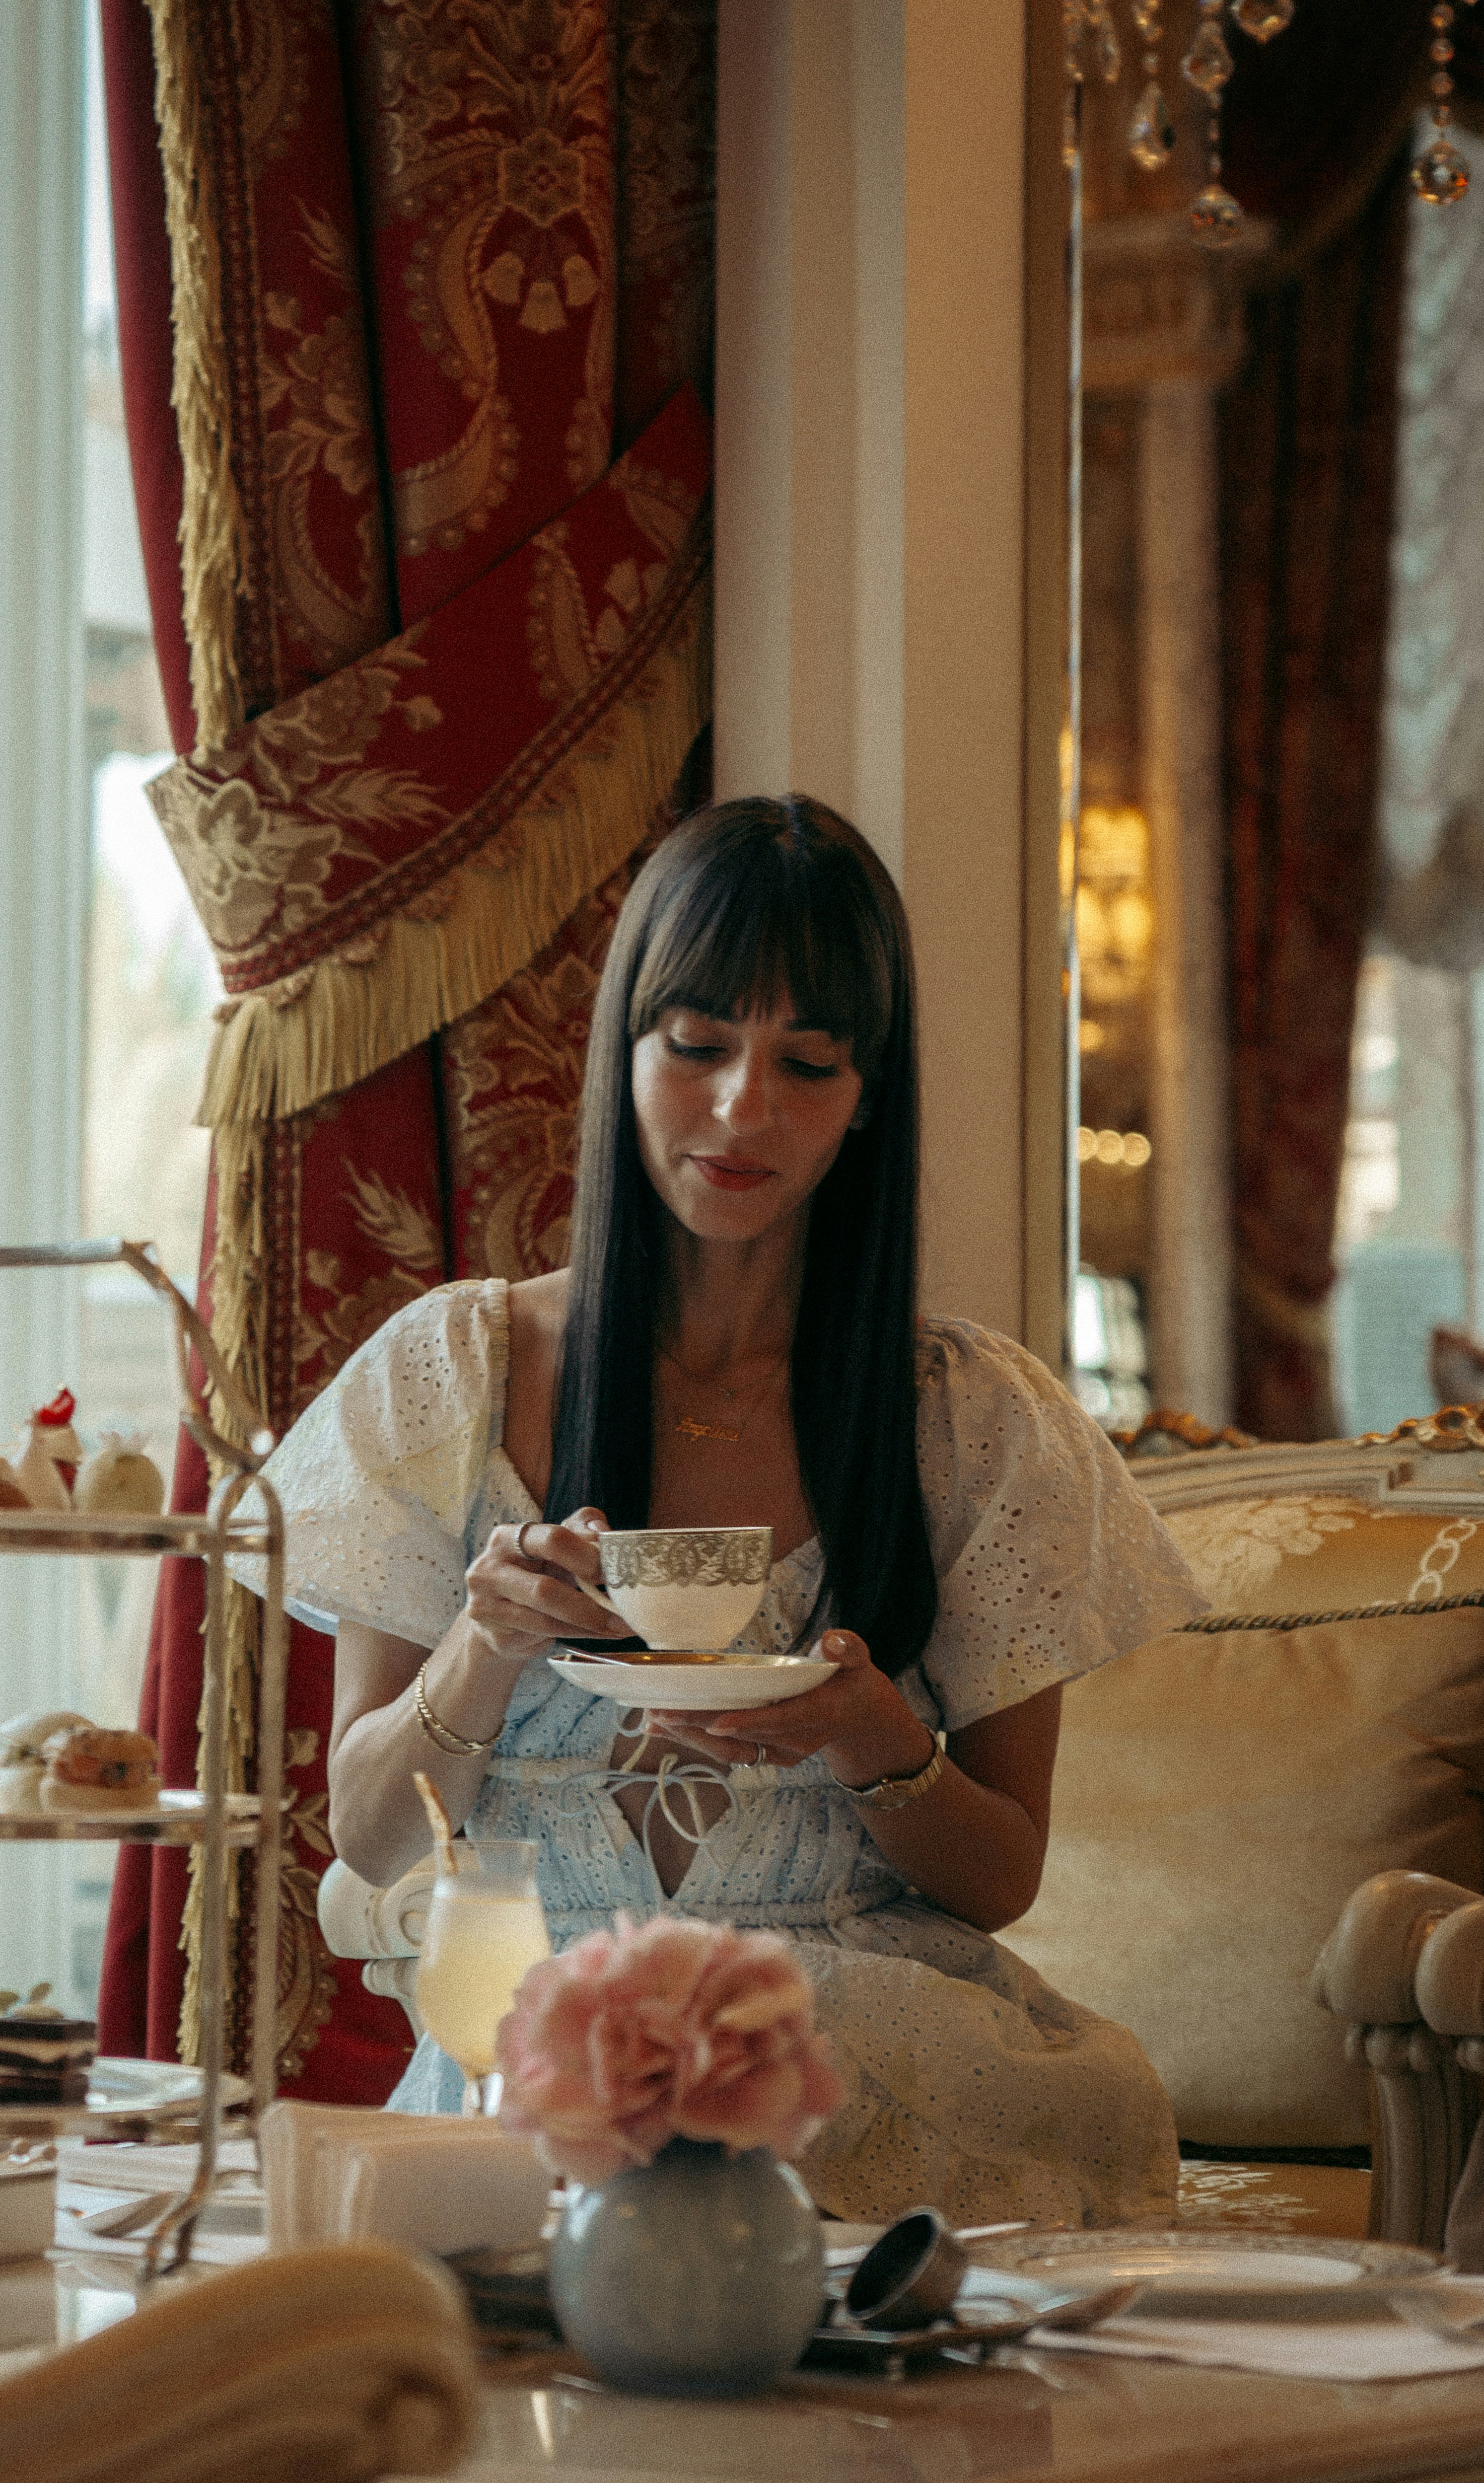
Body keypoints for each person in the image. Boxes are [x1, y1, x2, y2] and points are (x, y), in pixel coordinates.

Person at [248, 794, 1205, 2226]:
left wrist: (871, 1731)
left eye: (805, 1063)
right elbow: (377, 1839)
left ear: (867, 1092)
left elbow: (1002, 1877)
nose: (741, 1109)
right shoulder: (451, 1374)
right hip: (536, 2062)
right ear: (623, 1048)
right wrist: (485, 1643)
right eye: (696, 1048)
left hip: (855, 2058)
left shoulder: (969, 1418)